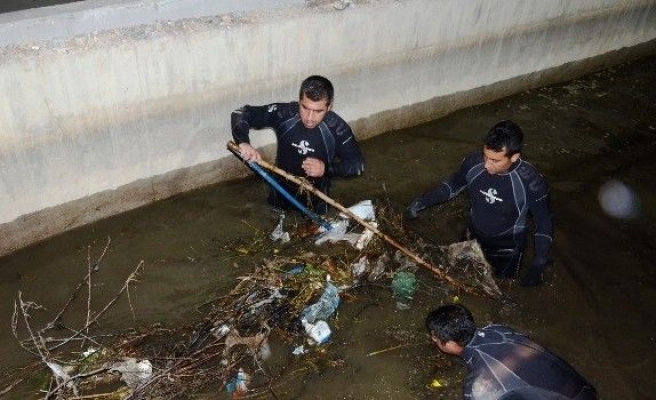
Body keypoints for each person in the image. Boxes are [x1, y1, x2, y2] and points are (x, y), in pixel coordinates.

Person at [406, 120, 553, 287]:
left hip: (506, 248)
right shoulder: (473, 163)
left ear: (514, 156)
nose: (487, 164)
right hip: (472, 235)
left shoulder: (531, 182)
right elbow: (451, 187)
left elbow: (544, 222)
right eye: (485, 156)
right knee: (455, 275)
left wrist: (539, 262)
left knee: (502, 286)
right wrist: (422, 201)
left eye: (495, 160)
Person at [231, 75, 365, 214]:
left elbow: (357, 166)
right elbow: (240, 113)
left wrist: (326, 169)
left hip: (316, 200)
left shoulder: (337, 128)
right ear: (299, 101)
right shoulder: (284, 113)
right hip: (280, 194)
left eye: (318, 111)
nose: (309, 118)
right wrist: (243, 142)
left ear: (329, 107)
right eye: (305, 108)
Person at [426, 303, 598, 400]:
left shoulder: (479, 387)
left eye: (435, 337)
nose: (433, 339)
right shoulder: (499, 330)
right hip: (585, 391)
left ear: (451, 343)